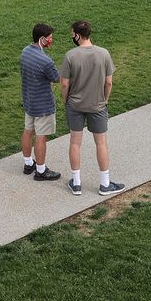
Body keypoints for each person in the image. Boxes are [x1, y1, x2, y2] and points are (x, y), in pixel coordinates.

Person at [60, 20, 124, 196]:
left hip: (75, 105)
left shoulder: (70, 56)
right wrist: (105, 99)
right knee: (101, 143)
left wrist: (65, 100)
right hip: (98, 105)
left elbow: (64, 84)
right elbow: (109, 82)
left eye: (72, 34)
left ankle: (76, 183)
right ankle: (105, 184)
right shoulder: (103, 53)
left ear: (77, 35)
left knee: (75, 142)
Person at [18, 23, 61, 182]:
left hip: (29, 101)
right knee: (41, 136)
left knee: (28, 131)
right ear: (42, 39)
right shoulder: (45, 61)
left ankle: (28, 164)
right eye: (49, 37)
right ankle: (41, 171)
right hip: (43, 104)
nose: (51, 40)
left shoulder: (25, 51)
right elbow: (56, 78)